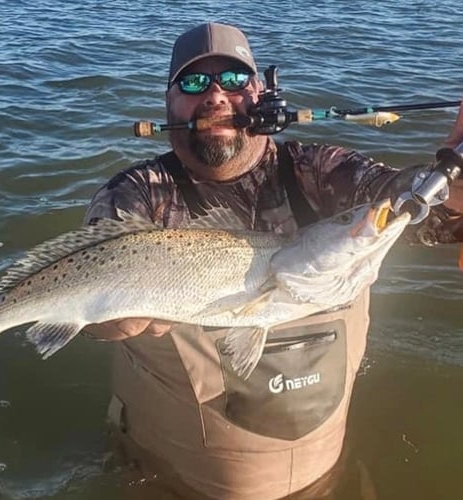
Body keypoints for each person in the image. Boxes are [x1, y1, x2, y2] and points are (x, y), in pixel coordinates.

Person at [84, 23, 463, 500]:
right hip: (168, 476)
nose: (217, 96)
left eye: (236, 81)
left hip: (321, 475)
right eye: (195, 83)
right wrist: (109, 321)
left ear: (262, 96)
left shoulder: (319, 170)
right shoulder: (135, 196)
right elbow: (89, 301)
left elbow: (426, 212)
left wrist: (456, 168)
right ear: (169, 104)